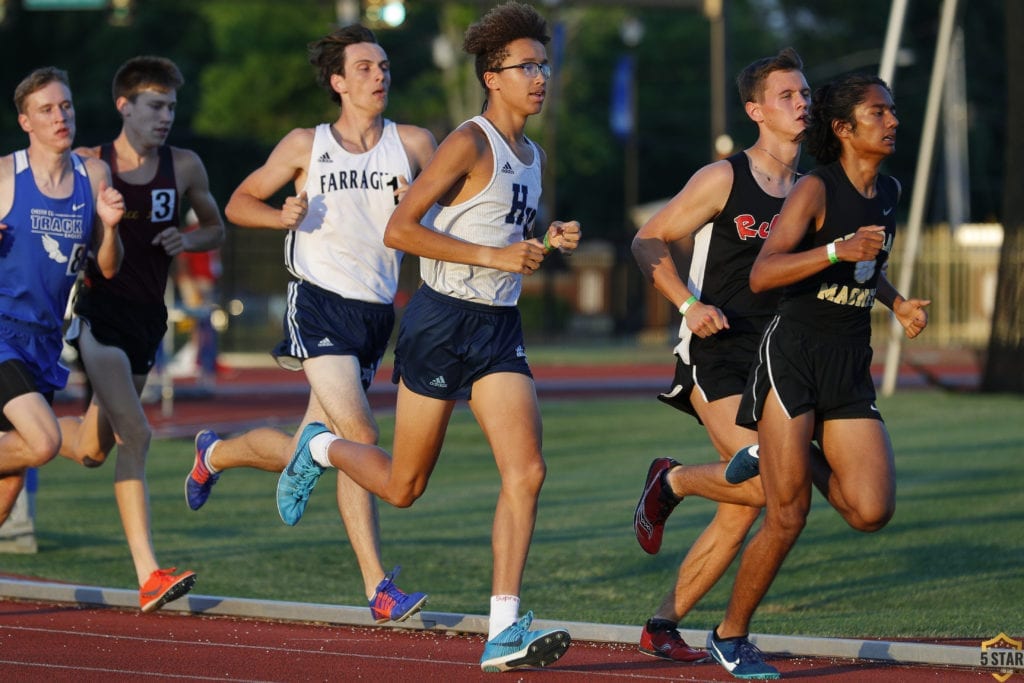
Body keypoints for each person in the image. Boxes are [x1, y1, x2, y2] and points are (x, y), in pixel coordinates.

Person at [274, 2, 581, 673]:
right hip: (441, 322)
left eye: (544, 64)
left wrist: (545, 240)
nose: (540, 76)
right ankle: (320, 447)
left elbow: (496, 228)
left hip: (498, 327)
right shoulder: (468, 141)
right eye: (526, 66)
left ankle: (502, 630)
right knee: (405, 486)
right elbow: (401, 229)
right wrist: (498, 259)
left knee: (527, 471)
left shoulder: (534, 152)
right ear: (492, 77)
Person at [184, 24, 436, 624]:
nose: (381, 75)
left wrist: (423, 199)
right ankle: (378, 588)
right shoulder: (306, 144)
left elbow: (455, 206)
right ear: (339, 81)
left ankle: (213, 454)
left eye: (384, 65)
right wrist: (282, 215)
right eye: (367, 68)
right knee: (362, 438)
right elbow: (239, 202)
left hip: (377, 313)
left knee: (320, 447)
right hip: (318, 303)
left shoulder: (416, 142)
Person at [705, 73, 930, 680]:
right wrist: (835, 251)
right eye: (878, 112)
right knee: (788, 515)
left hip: (850, 359)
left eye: (892, 110)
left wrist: (897, 301)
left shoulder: (889, 190)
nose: (892, 121)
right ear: (843, 127)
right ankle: (730, 636)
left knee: (869, 509)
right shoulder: (814, 188)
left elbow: (867, 263)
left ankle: (792, 448)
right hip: (795, 355)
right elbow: (763, 272)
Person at [630, 48, 811, 663]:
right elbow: (647, 237)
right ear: (755, 110)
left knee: (743, 503)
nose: (802, 102)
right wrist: (686, 305)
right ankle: (672, 480)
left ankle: (662, 624)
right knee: (765, 484)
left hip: (779, 358)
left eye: (804, 92)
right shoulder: (724, 178)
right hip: (718, 350)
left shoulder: (813, 188)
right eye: (787, 95)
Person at [57, 56, 224, 613]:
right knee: (139, 436)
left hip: (147, 320)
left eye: (172, 106)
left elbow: (216, 226)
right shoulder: (90, 164)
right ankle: (149, 573)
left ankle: (26, 437)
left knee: (90, 450)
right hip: (98, 316)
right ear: (124, 106)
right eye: (155, 105)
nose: (166, 116)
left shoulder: (185, 166)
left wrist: (189, 240)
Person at [0, 67, 123, 525]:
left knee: (11, 480)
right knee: (44, 443)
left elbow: (108, 266)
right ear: (26, 122)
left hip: (46, 339)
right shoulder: (5, 175)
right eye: (46, 110)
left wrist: (110, 227)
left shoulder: (92, 174)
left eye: (65, 106)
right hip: (2, 331)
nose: (59, 117)